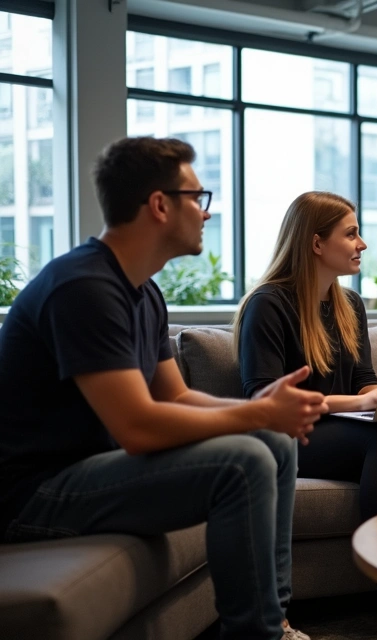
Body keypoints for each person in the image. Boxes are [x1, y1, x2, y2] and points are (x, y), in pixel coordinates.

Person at [0, 137, 326, 640]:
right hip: (33, 494)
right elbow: (138, 427)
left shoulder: (144, 291)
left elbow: (174, 398)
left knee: (274, 443)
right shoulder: (83, 286)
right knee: (244, 460)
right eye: (198, 198)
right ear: (159, 205)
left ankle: (275, 624)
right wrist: (259, 415)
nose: (205, 213)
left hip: (90, 472)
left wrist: (262, 407)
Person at [234, 191, 377, 640]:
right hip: (291, 435)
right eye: (352, 234)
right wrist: (360, 404)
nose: (362, 244)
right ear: (316, 243)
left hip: (343, 429)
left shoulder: (349, 304)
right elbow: (264, 396)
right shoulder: (269, 303)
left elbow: (363, 376)